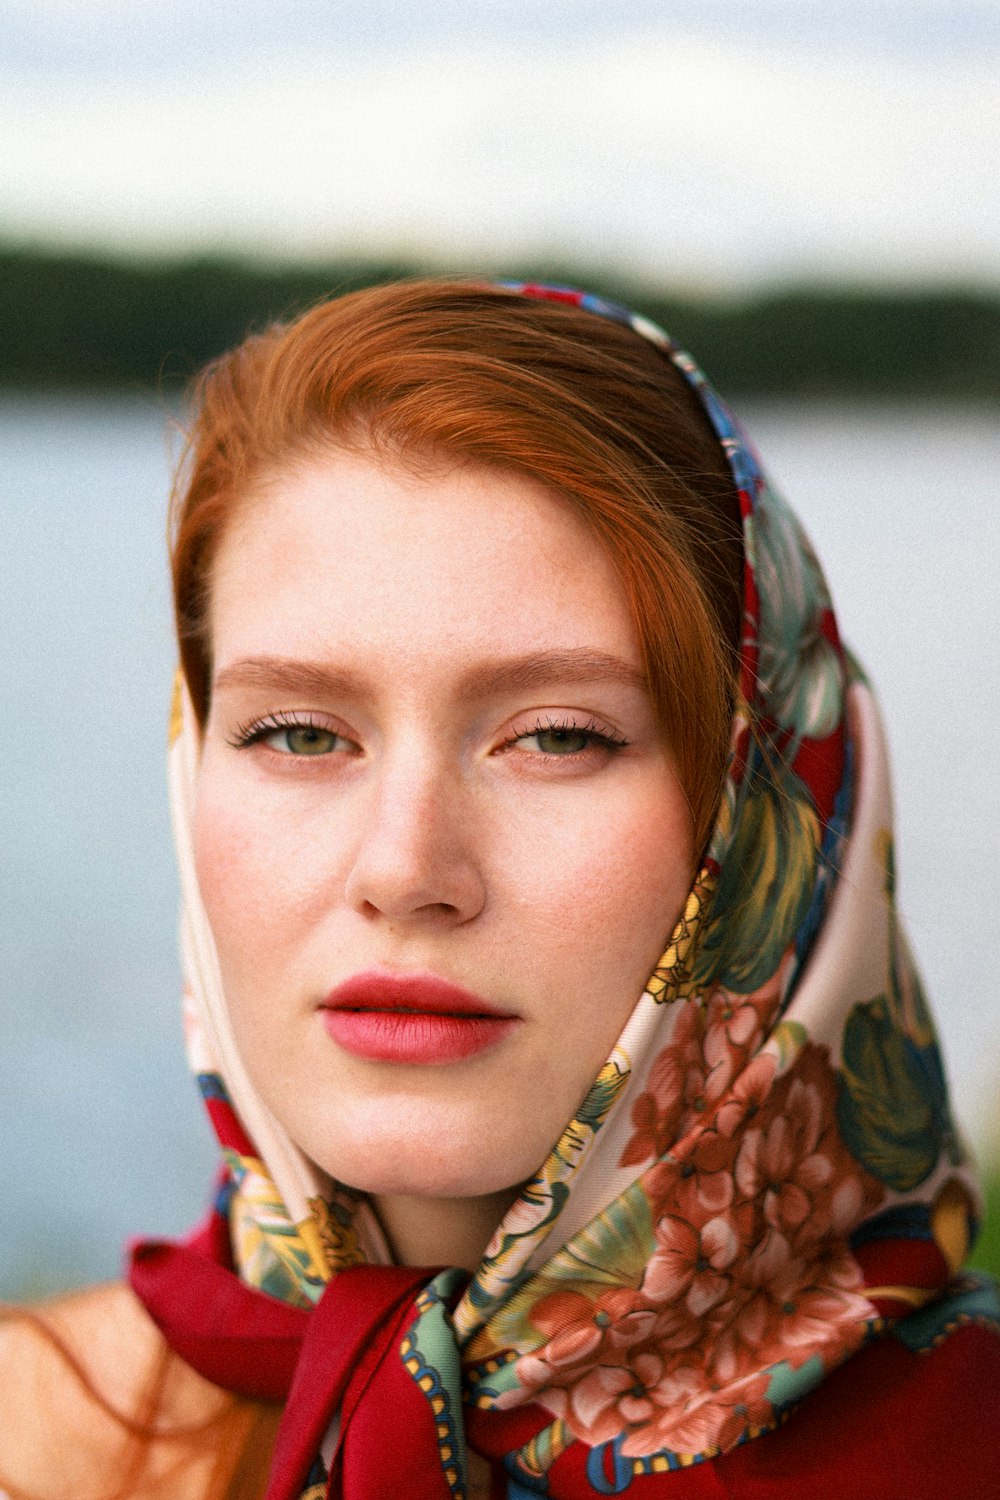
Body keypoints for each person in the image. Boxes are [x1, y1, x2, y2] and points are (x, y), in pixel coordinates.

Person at [2, 279, 998, 1500]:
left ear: (767, 809)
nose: (405, 871)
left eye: (559, 736)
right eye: (301, 735)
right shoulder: (37, 1432)